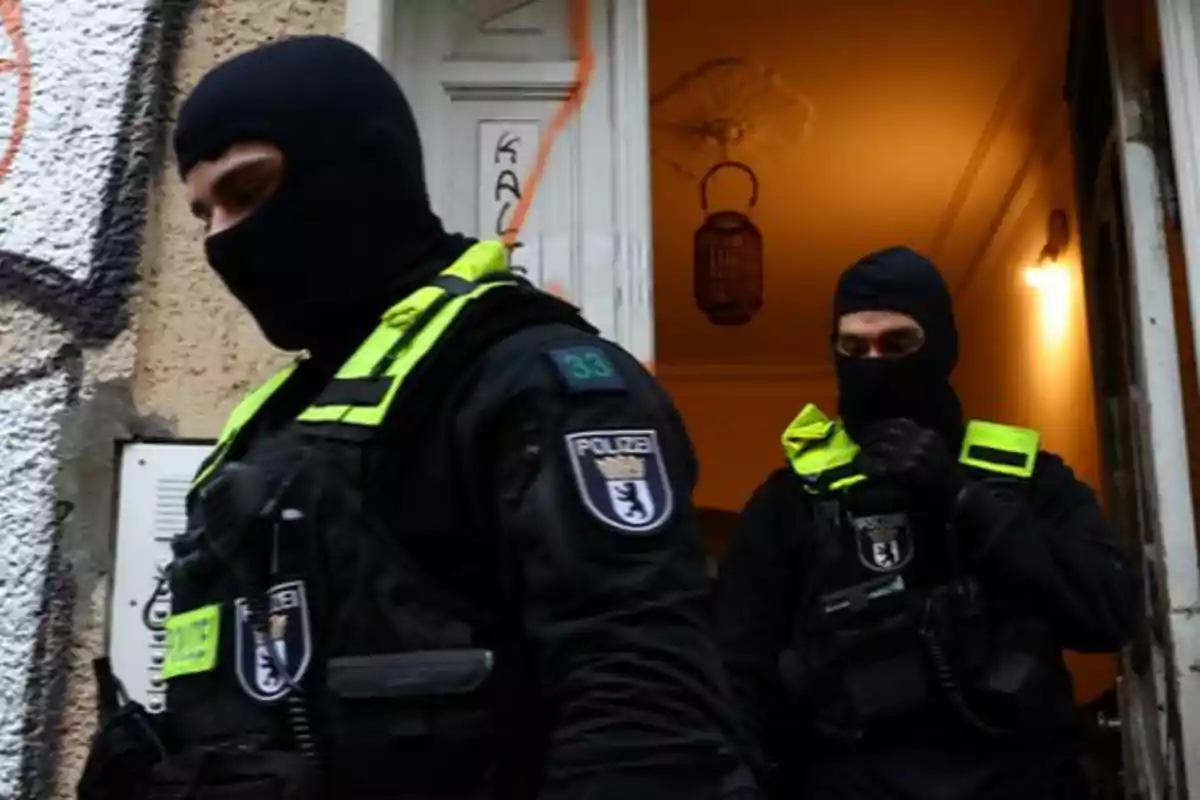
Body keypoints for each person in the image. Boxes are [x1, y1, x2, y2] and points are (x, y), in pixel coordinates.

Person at [77, 35, 757, 800]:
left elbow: (643, 715)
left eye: (247, 191)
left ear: (361, 167)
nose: (222, 239)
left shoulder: (534, 382)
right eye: (204, 213)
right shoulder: (281, 419)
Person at [714, 246, 1140, 799]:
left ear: (940, 345)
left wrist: (964, 499)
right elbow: (736, 672)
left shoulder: (1021, 477)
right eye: (854, 347)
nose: (874, 363)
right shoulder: (791, 500)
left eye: (898, 344)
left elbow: (1109, 610)